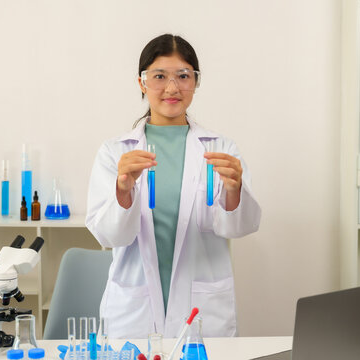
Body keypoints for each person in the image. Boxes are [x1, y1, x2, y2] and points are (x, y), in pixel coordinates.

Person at [86, 34, 261, 338]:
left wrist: (234, 190)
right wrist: (123, 190)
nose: (171, 88)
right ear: (142, 83)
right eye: (159, 77)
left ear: (195, 81)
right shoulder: (116, 152)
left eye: (183, 76)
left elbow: (238, 227)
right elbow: (110, 235)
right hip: (134, 312)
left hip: (202, 308)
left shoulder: (220, 148)